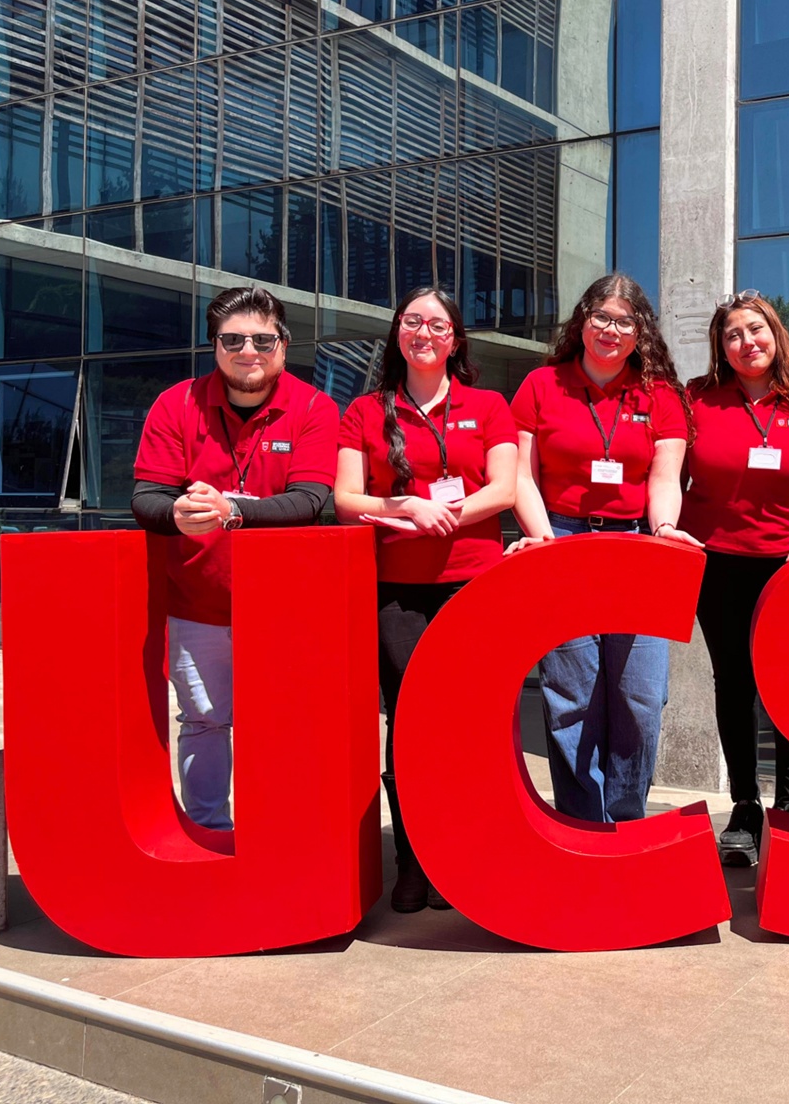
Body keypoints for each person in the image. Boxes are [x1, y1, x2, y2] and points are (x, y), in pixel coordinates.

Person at [333, 286, 518, 912]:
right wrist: (405, 505)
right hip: (399, 593)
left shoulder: (488, 405)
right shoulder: (364, 410)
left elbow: (504, 489)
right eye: (412, 322)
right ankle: (414, 859)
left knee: (471, 722)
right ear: (398, 334)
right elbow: (346, 499)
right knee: (410, 721)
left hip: (475, 583)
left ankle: (463, 854)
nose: (425, 333)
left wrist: (448, 512)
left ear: (455, 340)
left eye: (437, 324)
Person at [131, 286, 339, 831]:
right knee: (201, 722)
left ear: (284, 344)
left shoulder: (315, 407)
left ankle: (284, 838)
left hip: (287, 608)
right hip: (197, 602)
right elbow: (144, 497)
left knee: (286, 726)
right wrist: (177, 511)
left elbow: (312, 500)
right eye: (233, 340)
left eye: (262, 339)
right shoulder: (176, 403)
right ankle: (208, 835)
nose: (249, 351)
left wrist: (231, 511)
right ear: (215, 345)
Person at [506, 273, 698, 824]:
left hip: (636, 543)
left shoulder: (661, 394)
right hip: (561, 537)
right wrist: (541, 536)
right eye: (601, 317)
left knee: (640, 695)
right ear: (582, 320)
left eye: (624, 320)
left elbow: (665, 477)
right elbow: (523, 473)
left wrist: (663, 529)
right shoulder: (542, 385)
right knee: (572, 695)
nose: (611, 330)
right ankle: (584, 825)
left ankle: (626, 822)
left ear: (641, 331)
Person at [683, 290, 789, 866]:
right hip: (717, 561)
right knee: (734, 684)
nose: (746, 342)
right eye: (732, 334)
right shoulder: (699, 398)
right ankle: (746, 806)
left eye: (755, 330)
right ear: (719, 347)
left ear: (775, 334)